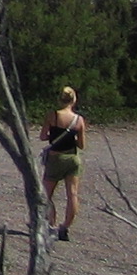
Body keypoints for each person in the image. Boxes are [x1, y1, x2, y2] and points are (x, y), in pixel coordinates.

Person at [41, 86, 87, 241]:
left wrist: (54, 136)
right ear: (74, 100)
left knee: (47, 194)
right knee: (72, 194)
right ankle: (65, 226)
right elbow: (82, 145)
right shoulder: (79, 120)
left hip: (55, 158)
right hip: (72, 158)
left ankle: (51, 224)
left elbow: (43, 136)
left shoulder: (53, 115)